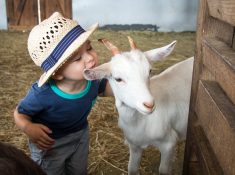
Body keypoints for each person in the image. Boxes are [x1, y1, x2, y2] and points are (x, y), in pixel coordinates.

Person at [14, 12, 112, 175]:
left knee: (79, 170)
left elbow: (107, 88)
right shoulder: (42, 95)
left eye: (89, 47)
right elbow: (19, 113)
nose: (90, 58)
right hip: (51, 145)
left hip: (80, 136)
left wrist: (128, 82)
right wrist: (28, 127)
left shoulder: (92, 79)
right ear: (57, 73)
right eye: (77, 58)